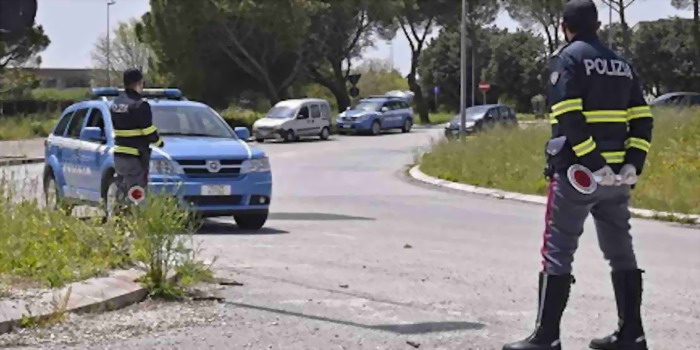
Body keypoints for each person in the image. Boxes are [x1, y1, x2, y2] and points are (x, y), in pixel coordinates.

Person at [502, 1, 653, 350]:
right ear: (598, 25)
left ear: (562, 26)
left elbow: (569, 116)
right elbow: (643, 117)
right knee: (621, 252)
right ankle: (632, 334)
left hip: (578, 174)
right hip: (617, 178)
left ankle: (546, 338)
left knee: (557, 251)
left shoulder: (567, 58)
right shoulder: (621, 63)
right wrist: (632, 164)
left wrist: (593, 163)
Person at [111, 68, 164, 205]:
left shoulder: (116, 103)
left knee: (122, 189)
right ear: (139, 83)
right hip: (135, 157)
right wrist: (160, 143)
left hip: (119, 155)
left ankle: (120, 219)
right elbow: (148, 131)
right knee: (136, 193)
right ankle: (135, 221)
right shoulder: (140, 104)